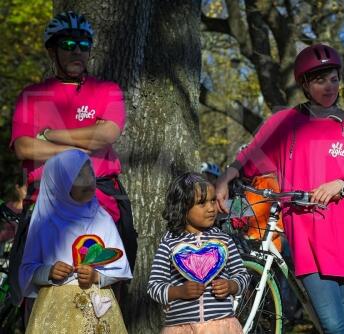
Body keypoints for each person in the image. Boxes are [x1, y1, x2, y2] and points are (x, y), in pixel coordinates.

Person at [215, 44, 344, 334]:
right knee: (333, 326)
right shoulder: (285, 123)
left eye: (333, 78)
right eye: (320, 80)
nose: (329, 86)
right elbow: (252, 155)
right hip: (307, 235)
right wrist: (225, 178)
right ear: (305, 84)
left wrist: (341, 185)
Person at [9, 10, 137, 305]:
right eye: (68, 45)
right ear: (52, 50)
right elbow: (25, 148)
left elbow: (106, 135)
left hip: (100, 200)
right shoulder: (32, 95)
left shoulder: (107, 90)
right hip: (46, 202)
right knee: (37, 287)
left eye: (84, 44)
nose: (78, 51)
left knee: (110, 280)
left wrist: (51, 135)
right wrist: (81, 146)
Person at [19, 150, 132, 333]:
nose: (88, 179)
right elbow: (27, 270)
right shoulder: (44, 223)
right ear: (60, 181)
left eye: (89, 171)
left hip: (98, 313)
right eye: (79, 174)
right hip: (55, 312)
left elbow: (119, 265)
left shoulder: (101, 219)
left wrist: (97, 276)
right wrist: (48, 271)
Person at [147, 172, 250, 334]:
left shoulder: (223, 240)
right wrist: (179, 291)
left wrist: (232, 286)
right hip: (181, 328)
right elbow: (154, 286)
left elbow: (242, 275)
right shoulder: (169, 243)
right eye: (202, 203)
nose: (211, 208)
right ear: (183, 207)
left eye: (212, 201)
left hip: (221, 326)